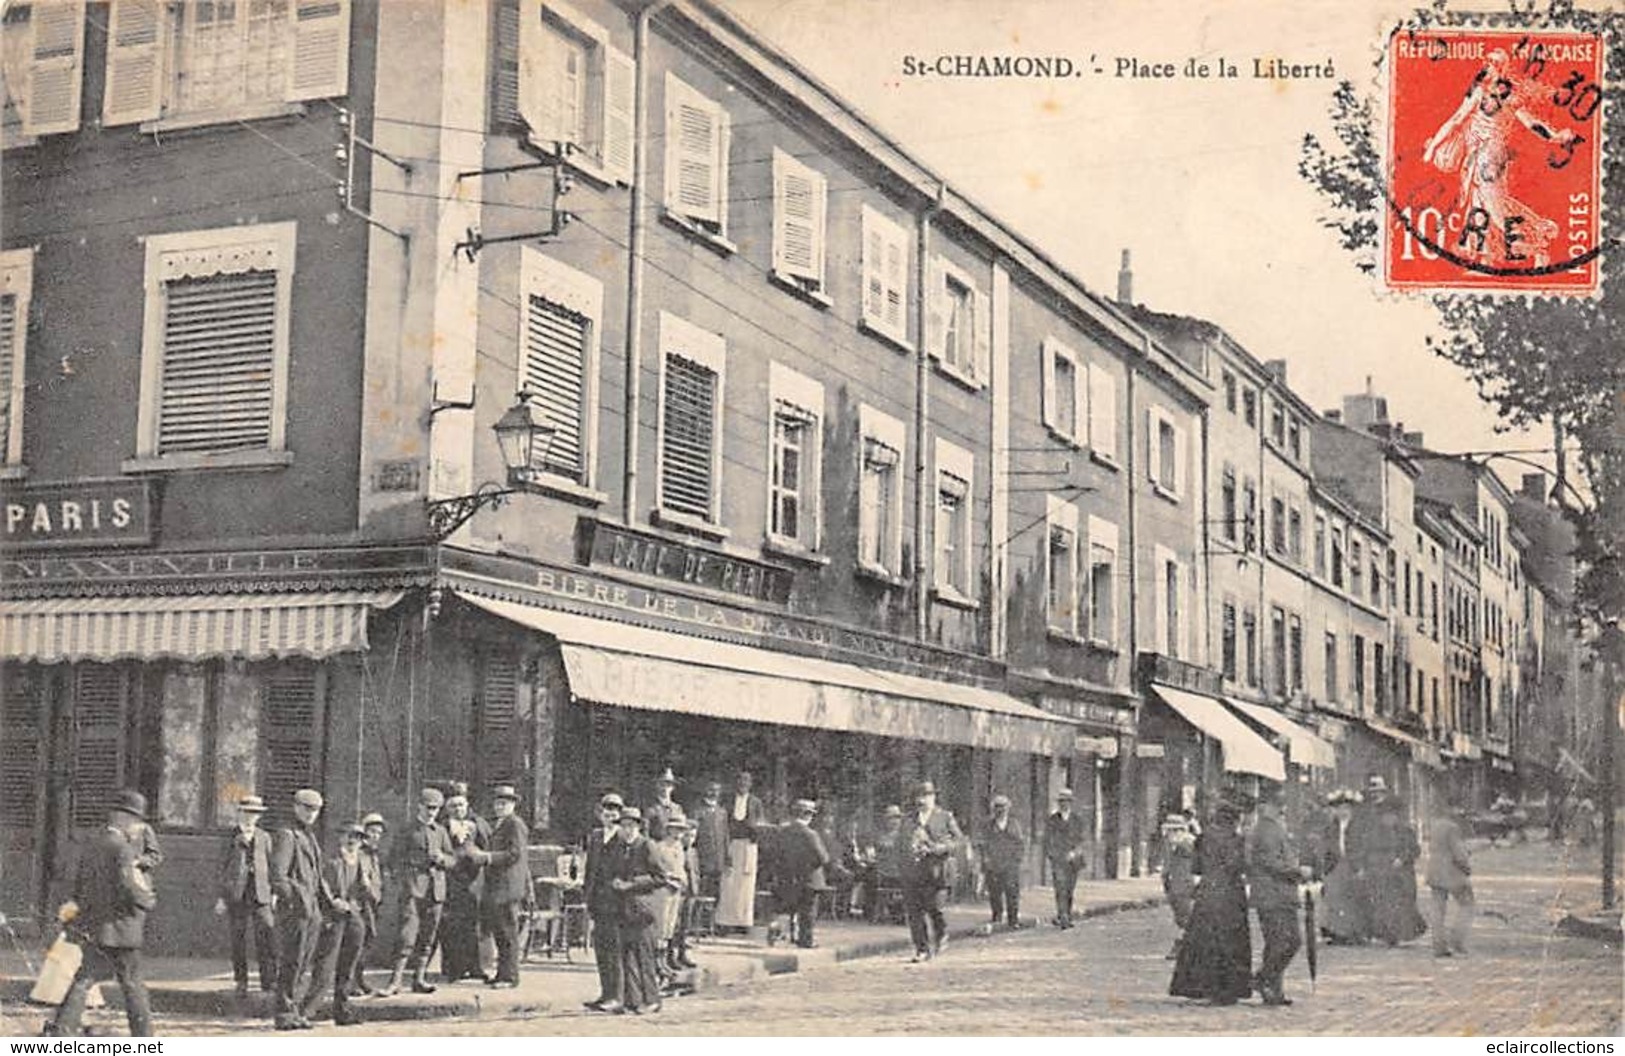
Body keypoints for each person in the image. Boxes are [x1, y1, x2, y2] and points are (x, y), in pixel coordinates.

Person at [44, 790, 157, 1038]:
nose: (139, 827)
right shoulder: (123, 849)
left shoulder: (92, 844)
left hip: (95, 927)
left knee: (84, 979)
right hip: (122, 929)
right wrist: (148, 901)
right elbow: (130, 888)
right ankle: (145, 1037)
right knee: (133, 984)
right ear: (122, 818)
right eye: (137, 821)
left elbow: (80, 885)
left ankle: (62, 1031)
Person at [1169, 791, 1252, 1006]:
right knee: (1230, 941)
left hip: (1208, 892)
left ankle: (1201, 985)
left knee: (1204, 940)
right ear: (1233, 819)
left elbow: (1196, 866)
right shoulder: (1236, 839)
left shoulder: (1204, 837)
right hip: (1230, 893)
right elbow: (1238, 865)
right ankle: (1227, 988)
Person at [383, 787, 455, 996]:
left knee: (428, 937)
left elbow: (453, 859)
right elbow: (393, 860)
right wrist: (404, 878)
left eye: (436, 809)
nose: (432, 812)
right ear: (419, 806)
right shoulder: (407, 830)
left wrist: (443, 859)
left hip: (436, 891)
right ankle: (395, 981)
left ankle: (419, 979)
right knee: (407, 935)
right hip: (413, 889)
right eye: (429, 807)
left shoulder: (440, 831)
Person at [611, 807, 679, 1015]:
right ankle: (632, 1000)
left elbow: (661, 877)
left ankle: (652, 999)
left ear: (639, 827)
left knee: (644, 956)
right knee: (626, 956)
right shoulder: (620, 847)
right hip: (623, 908)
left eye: (631, 825)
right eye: (623, 826)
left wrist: (631, 884)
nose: (627, 830)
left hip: (643, 909)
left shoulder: (647, 846)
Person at [1247, 786, 1308, 1007]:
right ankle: (1263, 981)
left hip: (1280, 894)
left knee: (1280, 943)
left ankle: (1272, 988)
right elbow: (1270, 862)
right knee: (1285, 942)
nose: (1279, 809)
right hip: (1272, 895)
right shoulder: (1265, 829)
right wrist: (1297, 872)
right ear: (1265, 806)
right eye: (1276, 805)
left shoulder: (1272, 827)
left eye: (1280, 805)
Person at [303, 822, 369, 1027]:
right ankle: (307, 1011)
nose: (352, 841)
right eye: (348, 836)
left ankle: (342, 1010)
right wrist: (333, 902)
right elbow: (321, 886)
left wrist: (363, 890)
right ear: (340, 837)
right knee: (326, 964)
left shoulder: (361, 861)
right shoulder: (332, 862)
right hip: (333, 916)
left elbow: (366, 890)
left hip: (354, 914)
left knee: (348, 963)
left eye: (357, 837)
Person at [271, 788, 325, 1030]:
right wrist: (296, 900)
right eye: (306, 808)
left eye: (315, 810)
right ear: (295, 807)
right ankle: (284, 1014)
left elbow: (316, 875)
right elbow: (279, 877)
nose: (311, 814)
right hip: (296, 910)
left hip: (311, 910)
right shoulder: (287, 834)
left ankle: (294, 1012)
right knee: (292, 962)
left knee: (303, 962)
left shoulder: (308, 836)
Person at [213, 794, 276, 997]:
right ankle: (241, 981)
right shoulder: (230, 837)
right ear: (240, 813)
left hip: (261, 893)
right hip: (237, 894)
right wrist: (222, 897)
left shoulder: (264, 837)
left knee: (265, 935)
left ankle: (268, 981)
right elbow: (221, 868)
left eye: (255, 814)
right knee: (238, 939)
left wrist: (273, 893)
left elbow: (272, 866)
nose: (250, 817)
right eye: (247, 813)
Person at [476, 785, 530, 988]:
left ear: (513, 805)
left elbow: (515, 854)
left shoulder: (515, 824)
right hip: (497, 887)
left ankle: (510, 977)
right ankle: (502, 974)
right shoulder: (500, 823)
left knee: (508, 933)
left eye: (504, 803)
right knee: (500, 932)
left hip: (508, 887)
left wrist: (488, 857)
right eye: (497, 803)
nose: (499, 807)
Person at [902, 781, 961, 962]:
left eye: (926, 796)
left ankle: (941, 932)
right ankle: (921, 949)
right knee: (914, 912)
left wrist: (939, 848)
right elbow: (900, 843)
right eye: (919, 796)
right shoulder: (909, 819)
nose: (922, 800)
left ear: (934, 797)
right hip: (914, 872)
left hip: (937, 872)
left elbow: (958, 841)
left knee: (935, 908)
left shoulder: (944, 817)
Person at [583, 792, 626, 1012]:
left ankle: (617, 996)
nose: (610, 813)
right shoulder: (596, 836)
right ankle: (605, 993)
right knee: (601, 949)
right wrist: (587, 898)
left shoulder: (623, 838)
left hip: (617, 903)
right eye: (606, 809)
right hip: (598, 902)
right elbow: (590, 870)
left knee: (614, 949)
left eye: (615, 810)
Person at [441, 791, 490, 983]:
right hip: (452, 879)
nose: (458, 809)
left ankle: (476, 966)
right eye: (453, 806)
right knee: (452, 924)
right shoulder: (442, 827)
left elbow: (485, 847)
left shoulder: (476, 825)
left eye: (461, 805)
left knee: (473, 923)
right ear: (447, 809)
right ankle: (454, 968)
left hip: (474, 880)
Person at [1367, 796, 1427, 946]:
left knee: (1403, 905)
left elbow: (1415, 850)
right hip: (1382, 873)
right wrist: (1379, 862)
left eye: (1392, 815)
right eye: (1386, 816)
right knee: (1384, 905)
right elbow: (1370, 850)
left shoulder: (1406, 831)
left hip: (1402, 875)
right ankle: (1387, 934)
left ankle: (1401, 933)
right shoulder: (1375, 833)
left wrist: (1402, 859)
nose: (1389, 819)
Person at [771, 800, 831, 949]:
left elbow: (776, 854)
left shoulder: (783, 832)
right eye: (810, 814)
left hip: (789, 877)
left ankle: (780, 934)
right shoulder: (810, 834)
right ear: (807, 815)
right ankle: (806, 940)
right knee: (808, 912)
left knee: (788, 908)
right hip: (809, 878)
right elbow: (823, 858)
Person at [1317, 789, 1369, 945]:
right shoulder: (1331, 827)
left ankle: (1355, 932)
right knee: (1334, 898)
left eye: (1346, 808)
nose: (1343, 812)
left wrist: (1361, 866)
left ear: (1351, 810)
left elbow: (1364, 847)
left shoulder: (1359, 826)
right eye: (1339, 809)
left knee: (1353, 898)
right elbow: (1325, 846)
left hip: (1353, 864)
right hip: (1335, 864)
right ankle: (1337, 932)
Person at [1425, 794, 1474, 958]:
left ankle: (1438, 945)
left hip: (1434, 871)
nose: (1460, 812)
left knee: (1437, 908)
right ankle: (1457, 940)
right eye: (1458, 808)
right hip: (1451, 872)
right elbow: (1459, 854)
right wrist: (1467, 867)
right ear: (1452, 809)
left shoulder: (1434, 825)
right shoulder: (1453, 827)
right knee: (1467, 904)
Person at [717, 770, 766, 933]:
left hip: (749, 846)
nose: (743, 785)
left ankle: (743, 923)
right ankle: (726, 922)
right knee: (728, 883)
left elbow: (761, 824)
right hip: (731, 843)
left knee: (746, 885)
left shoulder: (755, 802)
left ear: (750, 784)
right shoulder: (727, 801)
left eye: (746, 782)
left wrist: (755, 831)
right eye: (740, 781)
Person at [350, 812, 387, 996]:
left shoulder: (375, 854)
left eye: (378, 833)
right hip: (360, 904)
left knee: (368, 941)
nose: (375, 836)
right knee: (357, 943)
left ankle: (359, 978)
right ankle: (350, 982)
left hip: (373, 904)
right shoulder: (358, 853)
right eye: (372, 831)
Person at [647, 812, 687, 983]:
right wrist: (669, 880)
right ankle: (656, 962)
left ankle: (663, 962)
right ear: (668, 830)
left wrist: (683, 881)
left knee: (670, 927)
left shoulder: (679, 848)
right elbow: (658, 870)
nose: (678, 834)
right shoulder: (660, 847)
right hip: (663, 889)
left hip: (676, 890)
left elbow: (681, 868)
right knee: (660, 925)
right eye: (675, 830)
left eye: (681, 830)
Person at [1042, 788, 1089, 928]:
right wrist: (1052, 854)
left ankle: (1066, 913)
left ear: (1071, 803)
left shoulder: (1077, 820)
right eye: (1061, 801)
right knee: (1060, 886)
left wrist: (1075, 852)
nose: (1064, 804)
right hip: (1058, 859)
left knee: (1069, 888)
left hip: (1073, 860)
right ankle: (1063, 916)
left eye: (1067, 801)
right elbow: (1048, 839)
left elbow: (1081, 839)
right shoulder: (1052, 820)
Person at [979, 795, 1025, 929]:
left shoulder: (1014, 824)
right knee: (994, 892)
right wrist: (985, 859)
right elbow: (983, 844)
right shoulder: (988, 825)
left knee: (1012, 892)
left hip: (1010, 864)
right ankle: (997, 916)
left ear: (1008, 808)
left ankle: (1013, 919)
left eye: (1003, 807)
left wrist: (1017, 859)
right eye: (997, 807)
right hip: (994, 864)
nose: (1000, 810)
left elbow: (1020, 843)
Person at [1161, 813, 1197, 960]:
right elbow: (1168, 865)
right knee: (1181, 918)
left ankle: (1182, 945)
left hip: (1186, 885)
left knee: (1187, 917)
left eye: (1172, 830)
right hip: (1175, 885)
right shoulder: (1171, 844)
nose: (1168, 834)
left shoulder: (1188, 843)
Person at [690, 780, 730, 900]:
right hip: (703, 859)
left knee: (716, 894)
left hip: (718, 860)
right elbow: (692, 836)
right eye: (711, 790)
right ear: (705, 791)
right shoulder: (698, 811)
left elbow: (725, 836)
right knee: (701, 893)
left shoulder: (722, 812)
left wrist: (727, 859)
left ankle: (712, 918)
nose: (714, 793)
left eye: (717, 791)